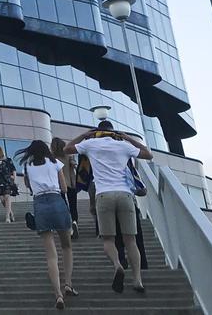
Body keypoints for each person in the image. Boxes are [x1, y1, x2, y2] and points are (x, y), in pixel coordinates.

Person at [65, 120, 152, 294]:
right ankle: (137, 280)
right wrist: (127, 137)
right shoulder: (123, 145)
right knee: (131, 240)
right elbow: (148, 154)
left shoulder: (91, 143)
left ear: (98, 131)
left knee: (108, 240)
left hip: (103, 195)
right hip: (125, 195)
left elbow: (66, 149)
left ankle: (117, 265)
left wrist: (85, 135)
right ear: (113, 132)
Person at [17, 139, 76, 309]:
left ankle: (58, 295)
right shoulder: (55, 162)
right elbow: (64, 188)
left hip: (40, 204)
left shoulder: (27, 166)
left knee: (51, 254)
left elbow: (28, 185)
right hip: (57, 201)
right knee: (66, 246)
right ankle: (68, 284)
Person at [51, 137, 80, 239]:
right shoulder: (69, 155)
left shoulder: (52, 158)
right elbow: (74, 165)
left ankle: (69, 225)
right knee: (73, 204)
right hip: (71, 183)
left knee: (63, 206)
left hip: (59, 185)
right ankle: (74, 221)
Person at [0, 145, 19, 223]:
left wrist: (14, 179)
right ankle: (10, 212)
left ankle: (7, 217)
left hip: (7, 180)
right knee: (2, 199)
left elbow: (13, 169)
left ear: (1, 151)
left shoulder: (8, 160)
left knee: (7, 197)